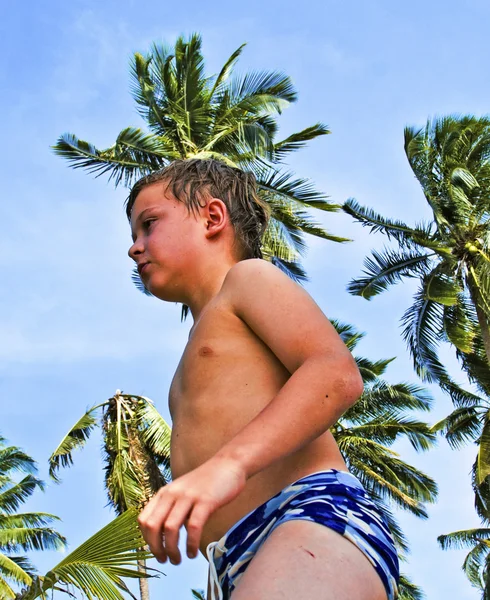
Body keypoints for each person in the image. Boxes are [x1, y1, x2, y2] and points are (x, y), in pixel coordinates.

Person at [127, 159, 400, 600]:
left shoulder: (248, 279)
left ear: (213, 218)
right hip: (235, 558)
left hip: (308, 513)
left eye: (149, 225)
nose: (135, 247)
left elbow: (335, 372)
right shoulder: (186, 365)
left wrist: (227, 465)